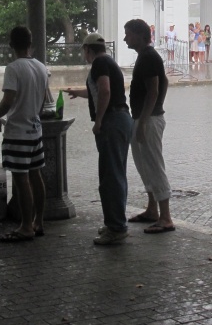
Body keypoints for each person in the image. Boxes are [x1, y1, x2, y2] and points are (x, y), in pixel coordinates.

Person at [65, 33, 133, 245]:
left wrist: (99, 121)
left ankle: (116, 227)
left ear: (87, 49)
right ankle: (115, 222)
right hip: (121, 119)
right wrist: (78, 92)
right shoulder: (108, 62)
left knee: (110, 177)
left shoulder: (99, 63)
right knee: (115, 173)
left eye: (83, 50)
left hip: (112, 121)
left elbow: (104, 91)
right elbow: (98, 90)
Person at [0, 26, 48, 243]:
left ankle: (25, 227)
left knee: (21, 179)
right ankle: (38, 222)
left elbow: (8, 99)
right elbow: (42, 101)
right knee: (36, 176)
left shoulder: (13, 69)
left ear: (11, 45)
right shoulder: (41, 67)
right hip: (35, 130)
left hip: (18, 133)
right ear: (30, 43)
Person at [123, 20, 175, 235]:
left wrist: (145, 119)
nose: (125, 38)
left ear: (138, 35)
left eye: (128, 34)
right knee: (145, 165)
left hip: (148, 120)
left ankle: (166, 217)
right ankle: (153, 209)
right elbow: (164, 82)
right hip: (145, 117)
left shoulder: (149, 57)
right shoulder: (146, 56)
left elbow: (154, 90)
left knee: (153, 165)